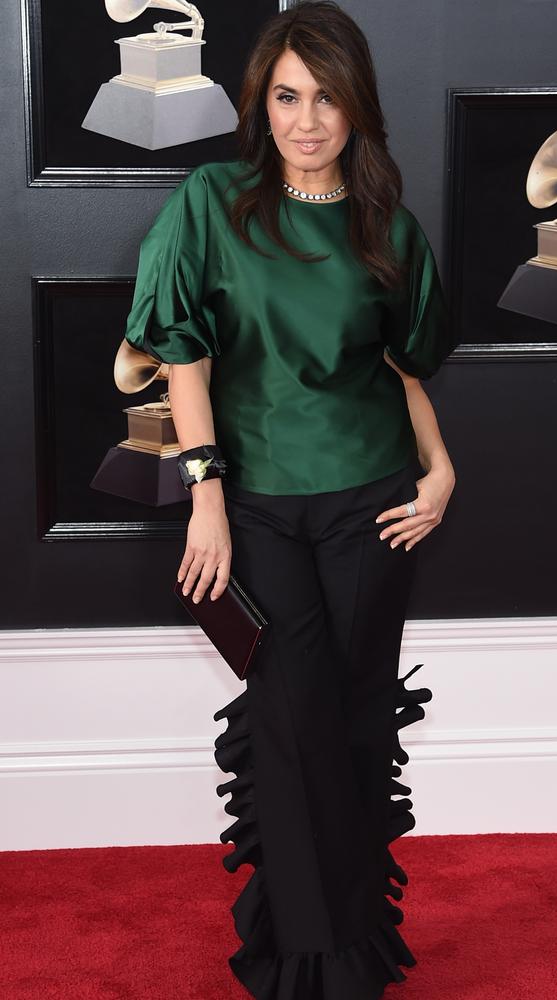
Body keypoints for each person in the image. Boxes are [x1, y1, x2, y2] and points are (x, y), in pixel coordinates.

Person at [123, 2, 456, 996]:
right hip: (256, 505)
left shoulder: (386, 227)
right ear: (257, 103)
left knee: (354, 723)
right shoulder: (211, 203)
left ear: (356, 110)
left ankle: (353, 945)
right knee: (288, 719)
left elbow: (403, 368)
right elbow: (178, 351)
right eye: (286, 96)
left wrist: (441, 471)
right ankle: (307, 964)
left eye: (327, 99)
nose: (306, 119)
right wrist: (205, 495)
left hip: (375, 502)